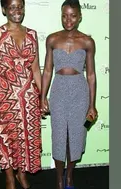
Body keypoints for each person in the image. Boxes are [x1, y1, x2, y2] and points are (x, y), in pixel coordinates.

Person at [40, 0, 98, 189]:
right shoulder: (52, 39)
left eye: (73, 15)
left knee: (75, 136)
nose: (68, 19)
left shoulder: (87, 41)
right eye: (64, 15)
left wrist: (92, 104)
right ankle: (58, 179)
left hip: (79, 93)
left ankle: (70, 177)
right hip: (58, 91)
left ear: (80, 16)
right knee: (59, 137)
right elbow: (47, 70)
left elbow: (90, 74)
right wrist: (42, 97)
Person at [0, 0, 42, 188]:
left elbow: (36, 69)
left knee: (25, 140)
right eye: (12, 7)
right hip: (4, 98)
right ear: (4, 10)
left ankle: (22, 174)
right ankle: (10, 177)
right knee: (6, 138)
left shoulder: (32, 35)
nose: (17, 10)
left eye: (20, 6)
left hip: (28, 100)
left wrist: (42, 96)